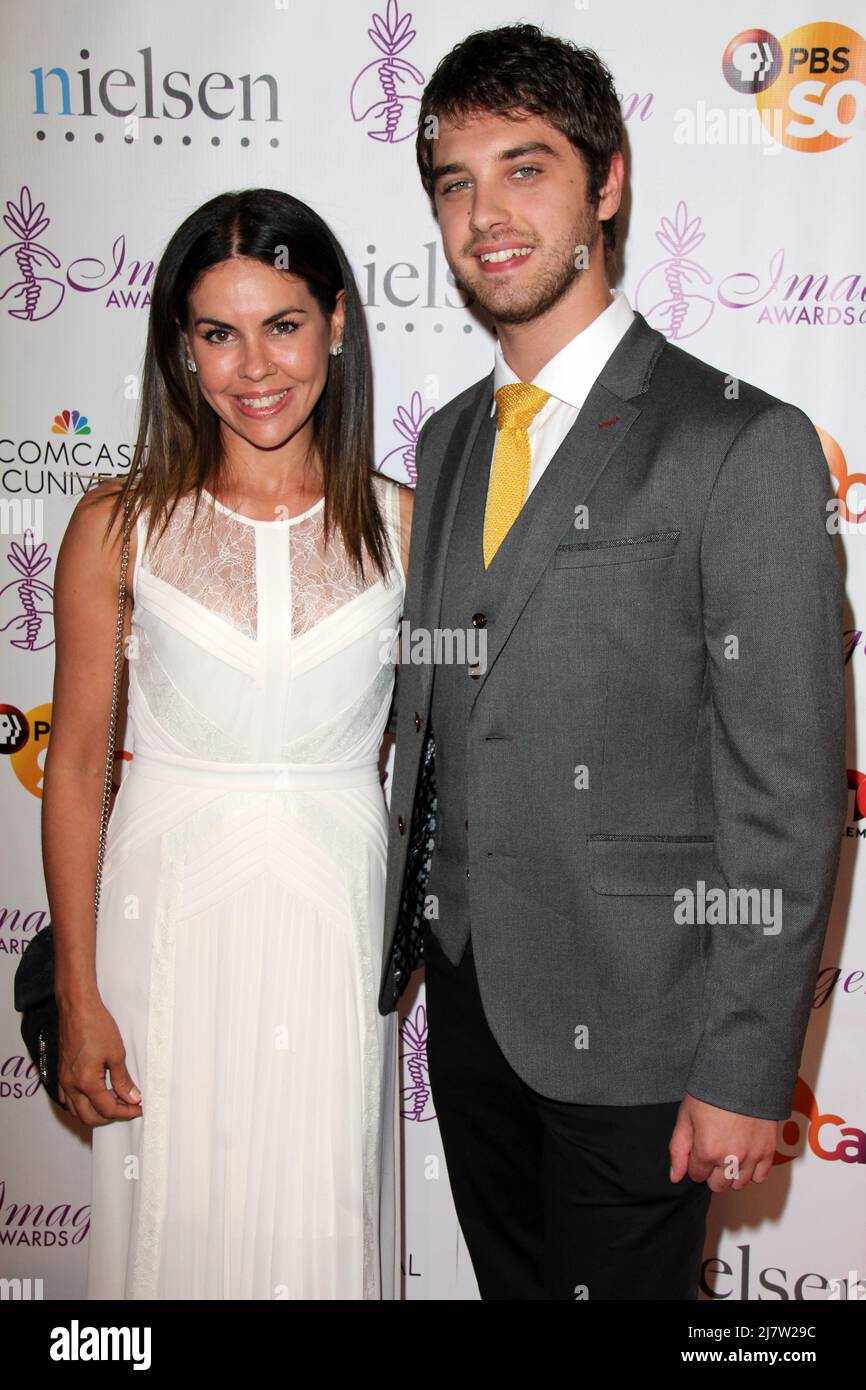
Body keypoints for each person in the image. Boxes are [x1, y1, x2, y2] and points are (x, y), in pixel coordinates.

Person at [379, 25, 847, 1300]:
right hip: (469, 1008)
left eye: (523, 169)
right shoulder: (451, 438)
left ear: (608, 181)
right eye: (453, 181)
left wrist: (747, 1066)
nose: (484, 214)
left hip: (644, 1029)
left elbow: (790, 790)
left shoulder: (741, 444)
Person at [43, 188, 413, 1299]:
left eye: (283, 323)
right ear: (181, 349)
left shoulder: (409, 524)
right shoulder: (117, 524)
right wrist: (76, 990)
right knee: (172, 1230)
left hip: (335, 920)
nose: (254, 364)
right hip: (162, 925)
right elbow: (74, 768)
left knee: (321, 1220)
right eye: (217, 331)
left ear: (336, 323)